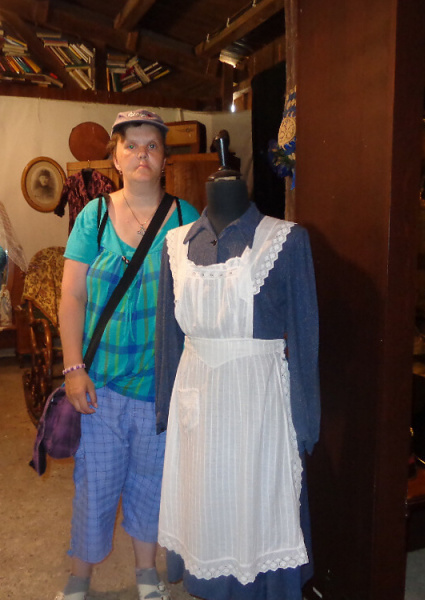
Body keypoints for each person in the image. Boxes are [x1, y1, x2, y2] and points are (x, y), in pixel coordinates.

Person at [154, 138, 320, 600]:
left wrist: (306, 420)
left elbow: (305, 337)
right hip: (196, 399)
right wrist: (164, 409)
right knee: (204, 497)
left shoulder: (285, 240)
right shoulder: (175, 245)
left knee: (257, 500)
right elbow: (168, 337)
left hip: (256, 401)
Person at [56, 108, 199, 600]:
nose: (142, 153)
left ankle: (146, 572)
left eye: (152, 146)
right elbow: (71, 296)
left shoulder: (185, 218)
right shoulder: (93, 217)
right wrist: (73, 368)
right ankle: (80, 576)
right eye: (131, 145)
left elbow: (203, 298)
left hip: (162, 386)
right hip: (100, 385)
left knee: (150, 484)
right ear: (115, 157)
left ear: (164, 159)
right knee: (94, 485)